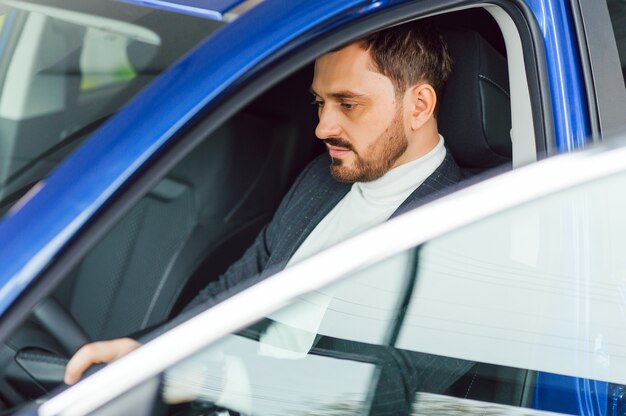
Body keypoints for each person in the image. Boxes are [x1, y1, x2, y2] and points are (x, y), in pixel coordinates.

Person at [64, 20, 464, 385]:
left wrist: (210, 379)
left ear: (419, 106)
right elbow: (235, 289)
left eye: (348, 104)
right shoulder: (320, 180)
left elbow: (381, 395)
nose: (323, 126)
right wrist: (150, 355)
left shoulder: (471, 230)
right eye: (320, 103)